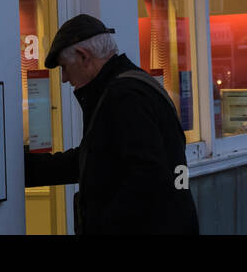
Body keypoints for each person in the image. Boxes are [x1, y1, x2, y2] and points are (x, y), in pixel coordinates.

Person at [23, 14, 198, 234]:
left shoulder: (124, 96)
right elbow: (97, 159)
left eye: (65, 67)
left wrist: (102, 225)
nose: (65, 78)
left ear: (84, 56)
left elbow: (147, 175)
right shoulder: (135, 85)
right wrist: (23, 169)